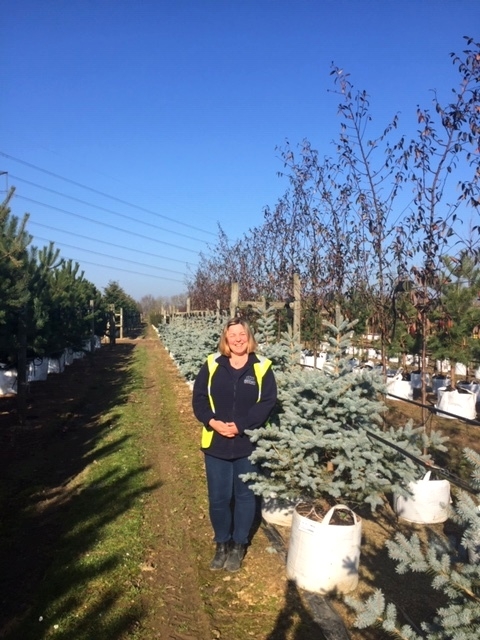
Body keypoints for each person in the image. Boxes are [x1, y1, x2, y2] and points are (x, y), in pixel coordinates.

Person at [192, 317, 277, 572]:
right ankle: (222, 544)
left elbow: (267, 402)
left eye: (242, 334)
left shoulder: (262, 367)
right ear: (225, 339)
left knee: (245, 496)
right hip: (216, 442)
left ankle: (239, 545)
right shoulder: (212, 364)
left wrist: (241, 425)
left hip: (247, 443)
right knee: (218, 498)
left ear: (248, 337)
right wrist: (212, 422)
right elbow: (199, 399)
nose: (238, 339)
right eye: (233, 335)